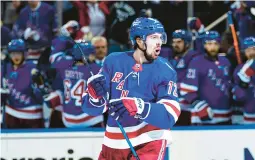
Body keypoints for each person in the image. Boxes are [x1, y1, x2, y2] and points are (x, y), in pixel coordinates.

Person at [82, 17, 181, 159]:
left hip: (149, 142)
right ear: (139, 41)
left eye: (161, 37)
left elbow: (170, 115)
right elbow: (92, 109)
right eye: (153, 37)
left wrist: (139, 106)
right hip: (113, 142)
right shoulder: (113, 61)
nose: (159, 42)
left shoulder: (165, 70)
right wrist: (94, 97)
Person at [180, 31, 232, 125]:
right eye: (209, 44)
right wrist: (200, 107)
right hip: (204, 116)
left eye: (215, 44)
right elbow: (186, 90)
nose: (212, 47)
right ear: (204, 45)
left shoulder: (226, 62)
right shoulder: (196, 62)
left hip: (225, 115)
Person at [47, 42, 104, 128]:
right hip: (90, 118)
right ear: (83, 57)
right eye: (91, 55)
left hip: (68, 118)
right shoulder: (95, 68)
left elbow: (54, 57)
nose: (93, 57)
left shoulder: (64, 67)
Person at [1, 39, 44, 128]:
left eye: (18, 53)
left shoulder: (33, 68)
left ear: (24, 54)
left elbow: (41, 96)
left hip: (32, 116)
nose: (15, 56)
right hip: (12, 114)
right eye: (12, 54)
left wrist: (39, 86)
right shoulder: (5, 68)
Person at [170, 29, 199, 125]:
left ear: (186, 43)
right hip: (173, 108)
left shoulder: (193, 58)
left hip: (187, 108)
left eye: (179, 42)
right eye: (174, 42)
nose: (175, 45)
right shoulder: (174, 59)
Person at [232, 36, 255, 124]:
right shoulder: (239, 70)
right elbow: (238, 96)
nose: (251, 52)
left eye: (253, 49)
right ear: (244, 52)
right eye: (248, 50)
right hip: (249, 115)